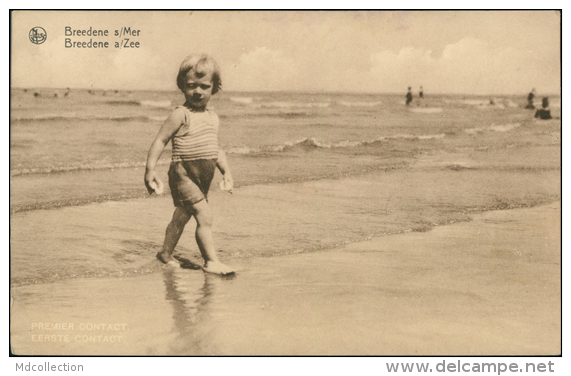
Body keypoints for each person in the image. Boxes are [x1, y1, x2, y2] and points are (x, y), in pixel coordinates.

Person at [145, 53, 235, 275]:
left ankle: (165, 253)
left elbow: (216, 148)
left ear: (214, 88)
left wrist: (226, 171)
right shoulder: (180, 114)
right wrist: (150, 169)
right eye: (191, 86)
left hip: (203, 177)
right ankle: (211, 261)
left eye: (204, 86)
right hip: (183, 174)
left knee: (182, 216)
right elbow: (160, 140)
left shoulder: (213, 117)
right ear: (182, 87)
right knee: (205, 216)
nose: (197, 91)